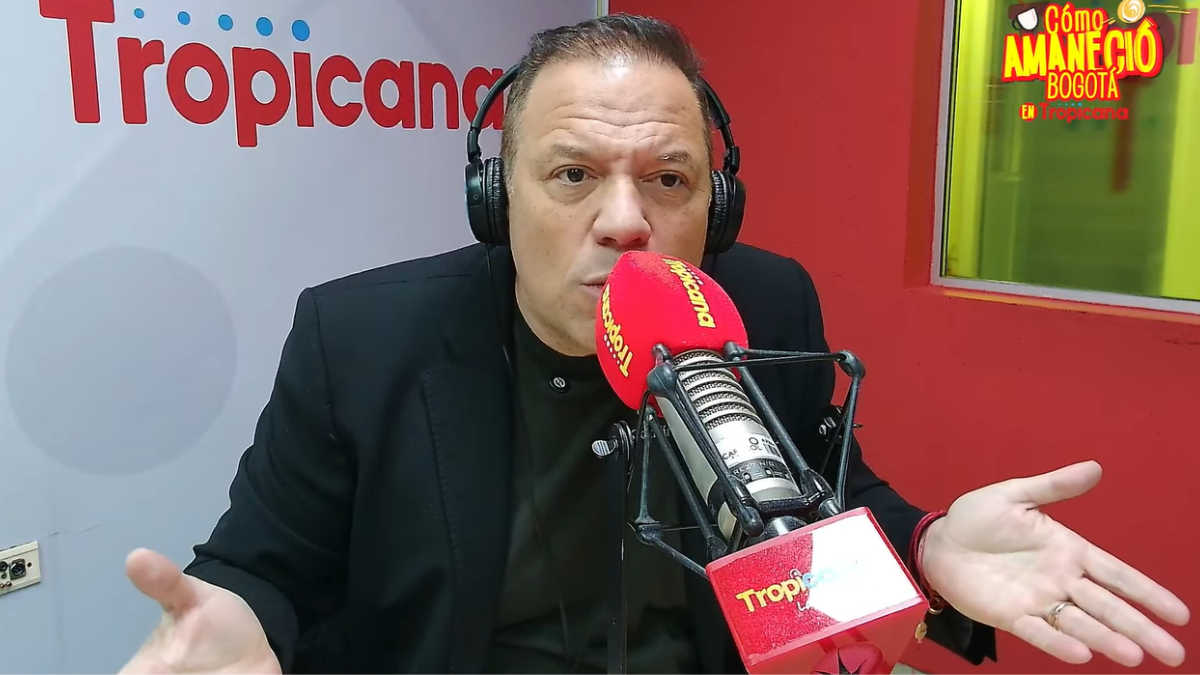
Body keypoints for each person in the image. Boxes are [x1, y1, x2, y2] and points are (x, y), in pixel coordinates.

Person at [117, 13, 1189, 675]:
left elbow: (825, 494)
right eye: (573, 174)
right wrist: (239, 621)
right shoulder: (360, 338)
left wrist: (931, 546)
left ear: (714, 208)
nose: (626, 220)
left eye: (669, 179)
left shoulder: (764, 303)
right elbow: (262, 565)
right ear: (497, 199)